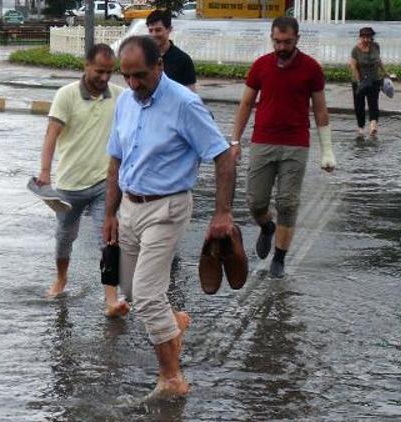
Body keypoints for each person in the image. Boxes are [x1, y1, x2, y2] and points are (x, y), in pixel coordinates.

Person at [103, 35, 235, 397]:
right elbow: (115, 160)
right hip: (129, 206)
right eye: (125, 76)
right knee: (131, 289)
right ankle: (174, 322)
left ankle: (172, 378)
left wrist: (223, 213)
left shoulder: (185, 104)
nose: (132, 84)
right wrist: (110, 213)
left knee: (145, 295)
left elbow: (223, 156)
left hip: (168, 206)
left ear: (159, 65)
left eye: (140, 76)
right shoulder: (125, 102)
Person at [230, 16, 336, 279]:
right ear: (272, 38)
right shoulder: (260, 66)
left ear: (297, 39)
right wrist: (235, 140)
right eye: (277, 41)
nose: (281, 47)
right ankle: (267, 227)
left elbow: (321, 110)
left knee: (288, 203)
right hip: (262, 141)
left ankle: (279, 257)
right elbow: (245, 104)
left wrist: (327, 151)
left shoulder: (311, 68)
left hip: (295, 144)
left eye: (287, 42)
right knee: (255, 201)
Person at [36, 43, 129, 318]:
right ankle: (61, 279)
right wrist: (44, 173)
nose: (104, 77)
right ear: (86, 66)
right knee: (65, 237)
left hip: (105, 183)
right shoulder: (66, 95)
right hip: (69, 185)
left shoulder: (120, 96)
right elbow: (51, 134)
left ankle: (111, 299)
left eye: (110, 72)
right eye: (99, 71)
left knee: (108, 239)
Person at [349, 26, 389, 137]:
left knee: (373, 104)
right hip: (360, 81)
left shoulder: (376, 46)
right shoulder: (355, 50)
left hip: (374, 79)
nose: (366, 40)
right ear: (360, 37)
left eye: (368, 37)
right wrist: (358, 81)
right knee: (359, 106)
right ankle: (361, 127)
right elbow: (353, 66)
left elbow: (378, 60)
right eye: (364, 37)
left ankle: (373, 127)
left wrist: (385, 72)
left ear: (372, 37)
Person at [146, 10, 197, 91]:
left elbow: (191, 95)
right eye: (150, 30)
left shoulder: (183, 60)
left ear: (169, 29)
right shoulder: (144, 57)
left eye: (158, 30)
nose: (153, 34)